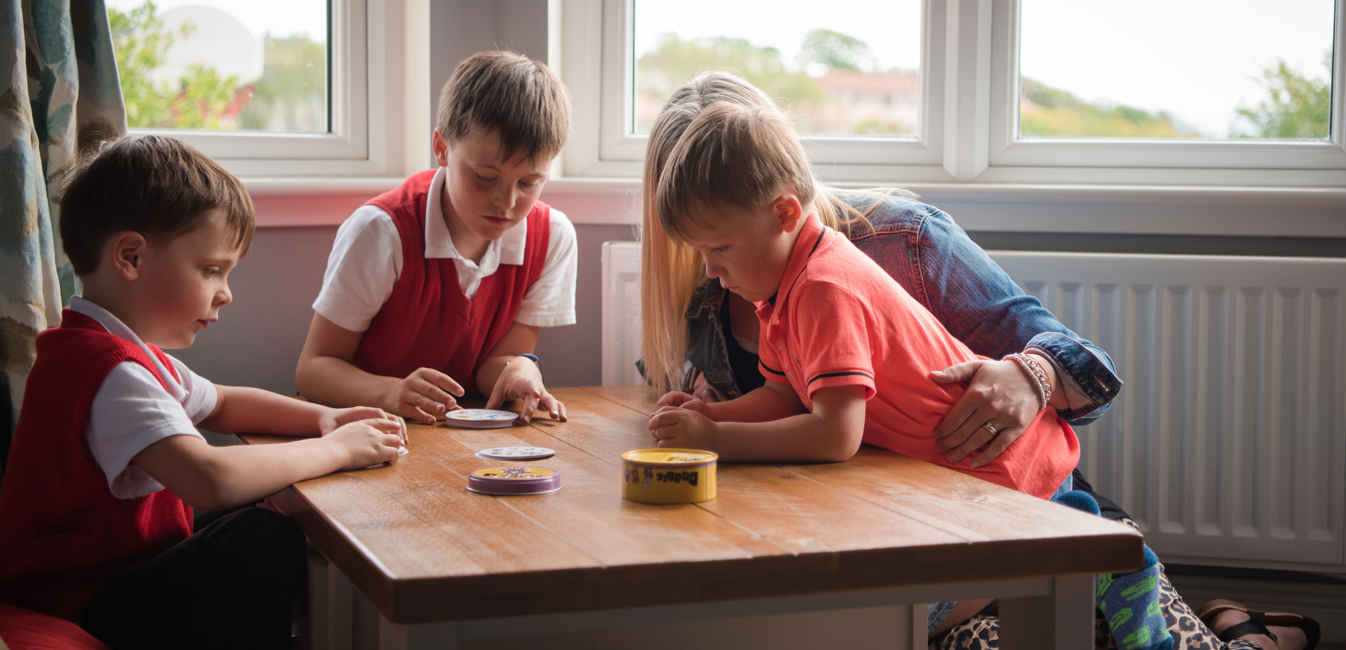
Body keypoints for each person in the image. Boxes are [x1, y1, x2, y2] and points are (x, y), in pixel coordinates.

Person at [639, 73, 1316, 650]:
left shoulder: (852, 268)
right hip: (930, 510)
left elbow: (835, 430)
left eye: (717, 247)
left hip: (1015, 495)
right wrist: (709, 412)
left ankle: (1249, 633)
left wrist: (1034, 374)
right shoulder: (756, 283)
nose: (708, 267)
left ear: (778, 209)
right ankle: (1233, 620)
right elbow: (784, 398)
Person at [0, 135, 408, 650]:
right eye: (212, 270)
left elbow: (222, 401)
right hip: (82, 601)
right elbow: (208, 478)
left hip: (117, 575)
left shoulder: (117, 353)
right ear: (130, 257)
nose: (227, 292)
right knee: (261, 540)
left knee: (269, 505)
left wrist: (323, 419)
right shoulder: (108, 374)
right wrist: (333, 451)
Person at [296, 50, 577, 425]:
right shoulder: (381, 231)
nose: (507, 202)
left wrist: (519, 372)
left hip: (451, 434)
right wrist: (391, 392)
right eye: (485, 177)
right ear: (442, 149)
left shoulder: (552, 238)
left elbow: (491, 368)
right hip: (360, 428)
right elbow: (313, 370)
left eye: (529, 183)